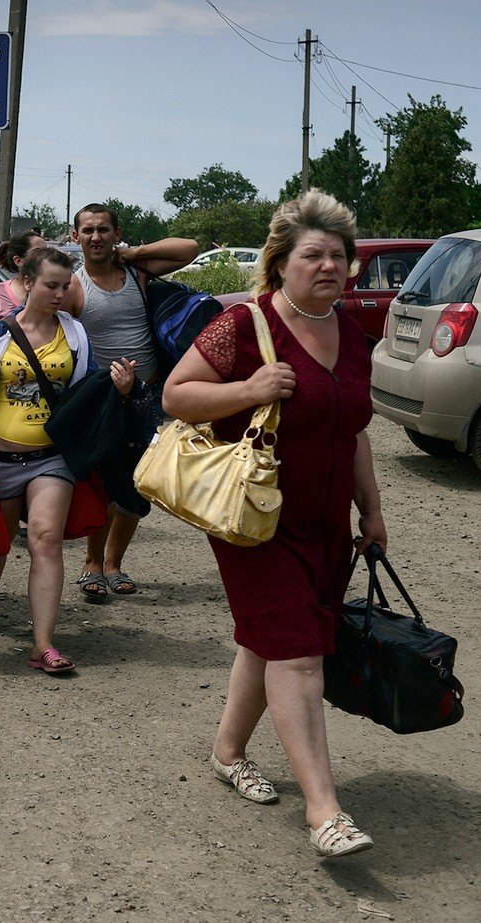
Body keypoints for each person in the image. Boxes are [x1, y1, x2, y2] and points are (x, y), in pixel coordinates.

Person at [163, 190, 383, 859]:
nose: (326, 265)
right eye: (310, 255)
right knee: (296, 649)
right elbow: (175, 393)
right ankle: (323, 810)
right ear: (279, 263)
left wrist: (369, 508)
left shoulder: (351, 335)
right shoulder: (245, 324)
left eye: (336, 256)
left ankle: (227, 751)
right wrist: (247, 391)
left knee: (268, 637)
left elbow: (354, 430)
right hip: (253, 517)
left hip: (324, 522)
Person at [0, 248, 135, 670]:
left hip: (50, 459)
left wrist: (121, 388)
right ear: (29, 283)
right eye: (51, 285)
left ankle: (43, 644)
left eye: (65, 286)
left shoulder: (75, 334)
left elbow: (88, 392)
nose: (59, 293)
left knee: (45, 539)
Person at [62, 203, 197, 600]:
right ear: (75, 238)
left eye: (103, 230)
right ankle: (91, 563)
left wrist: (135, 253)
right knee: (102, 484)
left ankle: (114, 564)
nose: (95, 237)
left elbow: (188, 248)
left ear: (116, 233)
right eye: (87, 231)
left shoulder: (136, 273)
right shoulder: (72, 286)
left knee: (139, 486)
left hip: (147, 396)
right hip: (103, 400)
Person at [0, 229, 47, 335]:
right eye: (38, 252)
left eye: (47, 252)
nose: (46, 258)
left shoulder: (53, 292)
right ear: (18, 260)